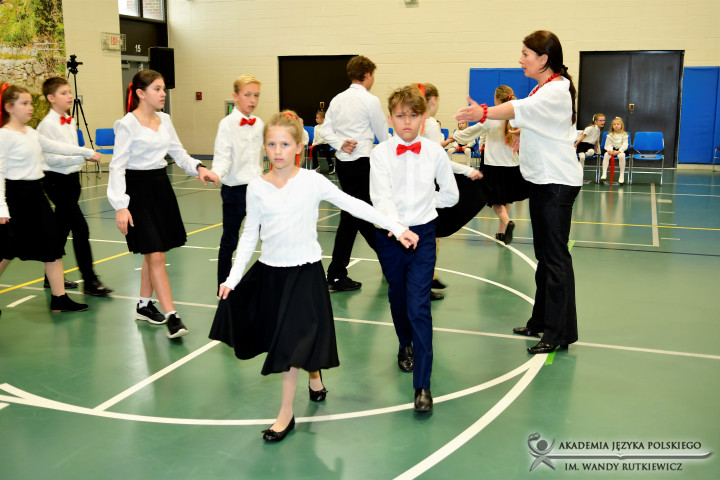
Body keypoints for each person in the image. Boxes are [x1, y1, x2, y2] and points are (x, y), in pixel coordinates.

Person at [210, 111, 418, 442]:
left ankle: (285, 414)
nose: (277, 151)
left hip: (304, 274)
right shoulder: (257, 187)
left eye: (285, 144)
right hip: (271, 275)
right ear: (264, 147)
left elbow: (355, 205)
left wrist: (396, 226)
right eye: (271, 144)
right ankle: (315, 377)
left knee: (291, 343)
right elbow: (249, 236)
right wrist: (232, 279)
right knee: (294, 338)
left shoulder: (312, 181)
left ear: (298, 147)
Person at [456, 30, 581, 354]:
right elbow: (546, 124)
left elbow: (520, 107)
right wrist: (527, 136)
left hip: (556, 184)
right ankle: (541, 321)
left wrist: (484, 113)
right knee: (545, 258)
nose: (521, 59)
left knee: (555, 259)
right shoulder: (545, 87)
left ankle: (559, 333)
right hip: (542, 181)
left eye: (526, 54)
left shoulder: (556, 89)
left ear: (544, 59)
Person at [109, 70, 219, 339]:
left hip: (160, 187)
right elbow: (117, 166)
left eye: (163, 89)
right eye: (157, 89)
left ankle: (144, 306)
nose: (163, 94)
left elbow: (178, 153)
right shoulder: (127, 124)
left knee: (154, 250)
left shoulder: (165, 119)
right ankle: (172, 316)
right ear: (140, 93)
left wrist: (199, 167)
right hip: (137, 191)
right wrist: (121, 205)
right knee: (156, 254)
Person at [370, 85, 459, 412]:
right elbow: (381, 198)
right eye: (400, 116)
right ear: (390, 118)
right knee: (397, 295)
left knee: (419, 306)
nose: (406, 122)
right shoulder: (380, 153)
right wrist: (398, 227)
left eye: (412, 115)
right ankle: (404, 343)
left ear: (423, 118)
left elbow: (451, 195)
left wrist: (425, 203)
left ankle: (423, 386)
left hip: (423, 235)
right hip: (390, 236)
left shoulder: (435, 152)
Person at [0, 83, 97, 313]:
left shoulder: (32, 133)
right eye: (24, 103)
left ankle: (59, 299)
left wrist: (87, 152)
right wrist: (1, 207)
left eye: (30, 103)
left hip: (36, 195)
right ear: (9, 107)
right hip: (15, 198)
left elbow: (58, 147)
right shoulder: (4, 136)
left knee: (52, 246)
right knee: (7, 250)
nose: (30, 107)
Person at [37, 77, 113, 296]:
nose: (70, 96)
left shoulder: (69, 120)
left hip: (72, 180)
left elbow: (68, 150)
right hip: (55, 180)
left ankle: (50, 277)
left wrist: (79, 159)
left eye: (69, 92)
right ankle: (90, 281)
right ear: (51, 98)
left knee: (61, 229)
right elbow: (51, 159)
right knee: (81, 228)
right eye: (63, 93)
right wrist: (83, 156)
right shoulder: (47, 125)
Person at [321, 55, 390, 292]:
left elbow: (325, 129)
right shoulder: (370, 100)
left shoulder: (337, 99)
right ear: (368, 74)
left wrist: (340, 144)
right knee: (362, 215)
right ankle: (389, 260)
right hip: (362, 163)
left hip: (343, 164)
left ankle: (337, 273)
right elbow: (383, 134)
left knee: (352, 216)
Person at [417, 83, 483, 300]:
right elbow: (439, 160)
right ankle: (423, 283)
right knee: (428, 236)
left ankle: (430, 276)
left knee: (426, 234)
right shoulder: (429, 124)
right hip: (426, 185)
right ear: (432, 100)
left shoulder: (412, 121)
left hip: (414, 185)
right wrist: (467, 170)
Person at [453, 85, 530, 244]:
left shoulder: (491, 118)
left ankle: (508, 223)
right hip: (512, 165)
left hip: (494, 165)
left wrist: (455, 136)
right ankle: (501, 232)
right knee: (506, 199)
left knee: (494, 200)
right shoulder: (517, 117)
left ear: (497, 100)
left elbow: (471, 132)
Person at [210, 74, 263, 290]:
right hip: (235, 190)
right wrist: (216, 173)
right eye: (247, 95)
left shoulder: (259, 123)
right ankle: (223, 287)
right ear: (235, 96)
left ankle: (270, 282)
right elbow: (222, 157)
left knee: (269, 235)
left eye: (256, 95)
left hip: (258, 189)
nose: (252, 100)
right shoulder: (227, 124)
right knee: (230, 240)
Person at [600, 117, 629, 184]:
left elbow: (625, 145)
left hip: (620, 151)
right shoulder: (610, 135)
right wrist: (610, 151)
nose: (616, 126)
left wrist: (619, 151)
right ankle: (604, 173)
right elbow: (608, 144)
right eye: (614, 124)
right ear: (612, 126)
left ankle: (621, 175)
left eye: (618, 124)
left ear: (621, 126)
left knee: (622, 156)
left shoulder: (624, 135)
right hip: (611, 150)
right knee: (606, 154)